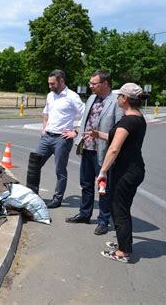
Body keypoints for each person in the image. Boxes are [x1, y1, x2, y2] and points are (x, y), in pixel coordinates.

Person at [88, 83, 147, 263]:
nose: (117, 98)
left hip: (127, 172)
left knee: (119, 209)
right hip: (133, 169)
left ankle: (123, 252)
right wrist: (98, 134)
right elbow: (117, 137)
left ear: (125, 99)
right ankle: (124, 243)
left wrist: (102, 171)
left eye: (119, 95)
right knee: (122, 208)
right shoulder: (138, 117)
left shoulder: (128, 120)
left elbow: (114, 148)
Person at [66, 70, 124, 236]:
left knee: (103, 188)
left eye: (93, 83)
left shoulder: (116, 102)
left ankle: (103, 221)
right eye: (90, 83)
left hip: (103, 152)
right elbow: (84, 121)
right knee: (86, 184)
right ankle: (85, 214)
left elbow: (119, 129)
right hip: (87, 148)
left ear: (105, 84)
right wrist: (78, 134)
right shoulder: (91, 98)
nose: (90, 86)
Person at [34, 69, 85, 208]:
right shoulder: (50, 95)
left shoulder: (72, 96)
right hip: (47, 136)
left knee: (60, 170)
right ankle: (33, 194)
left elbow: (85, 114)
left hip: (62, 139)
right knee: (34, 164)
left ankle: (57, 199)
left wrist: (76, 131)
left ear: (61, 81)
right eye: (49, 84)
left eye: (52, 84)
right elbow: (46, 113)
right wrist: (44, 128)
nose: (50, 87)